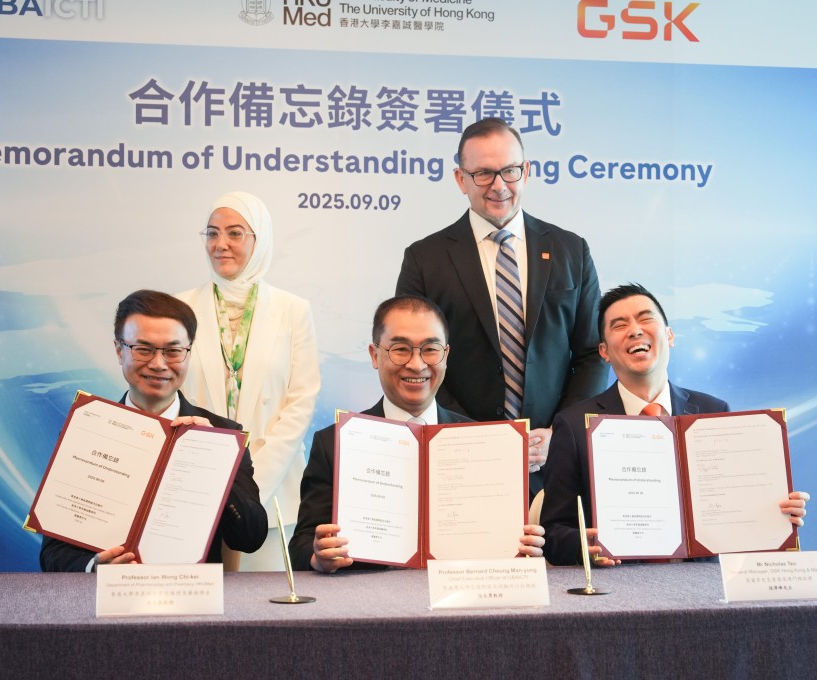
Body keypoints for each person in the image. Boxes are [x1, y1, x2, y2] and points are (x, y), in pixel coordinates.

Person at [396, 117, 607, 497]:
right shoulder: (425, 259)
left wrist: (561, 430)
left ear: (525, 172)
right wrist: (468, 435)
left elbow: (594, 353)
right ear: (461, 179)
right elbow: (417, 360)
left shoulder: (571, 251)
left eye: (509, 171)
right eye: (483, 174)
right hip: (460, 458)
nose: (498, 186)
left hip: (555, 460)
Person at [540, 283, 811, 567]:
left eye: (646, 319)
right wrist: (588, 544)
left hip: (705, 589)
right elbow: (555, 534)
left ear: (669, 336)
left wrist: (773, 513)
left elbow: (737, 515)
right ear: (604, 351)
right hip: (618, 591)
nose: (635, 330)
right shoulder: (573, 426)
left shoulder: (713, 412)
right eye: (619, 325)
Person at [288, 295, 545, 573]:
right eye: (400, 349)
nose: (417, 364)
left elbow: (503, 542)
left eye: (430, 350)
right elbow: (301, 546)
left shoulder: (481, 443)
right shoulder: (336, 442)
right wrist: (319, 556)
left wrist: (522, 547)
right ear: (375, 355)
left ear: (446, 356)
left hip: (460, 603)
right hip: (370, 605)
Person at [39, 290, 267, 572]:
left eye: (172, 351)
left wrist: (214, 458)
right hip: (105, 603)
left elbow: (251, 538)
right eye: (143, 349)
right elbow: (53, 554)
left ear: (188, 354)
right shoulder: (90, 427)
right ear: (119, 350)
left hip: (192, 602)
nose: (159, 364)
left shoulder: (223, 433)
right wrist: (94, 567)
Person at [177, 191, 319, 571]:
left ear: (259, 241)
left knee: (265, 615)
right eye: (212, 233)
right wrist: (211, 482)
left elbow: (302, 400)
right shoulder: (180, 309)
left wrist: (253, 485)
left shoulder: (292, 310)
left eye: (235, 233)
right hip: (194, 490)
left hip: (272, 496)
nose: (220, 244)